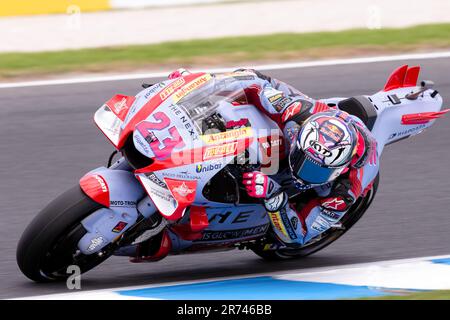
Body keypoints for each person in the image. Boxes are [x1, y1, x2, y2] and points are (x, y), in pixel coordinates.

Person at [169, 68, 380, 248]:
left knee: (286, 234)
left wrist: (274, 196)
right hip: (310, 114)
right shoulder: (295, 113)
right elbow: (254, 84)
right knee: (251, 75)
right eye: (302, 160)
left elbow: (300, 236)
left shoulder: (345, 189)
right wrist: (195, 87)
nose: (303, 172)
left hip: (332, 178)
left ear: (339, 170)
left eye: (315, 171)